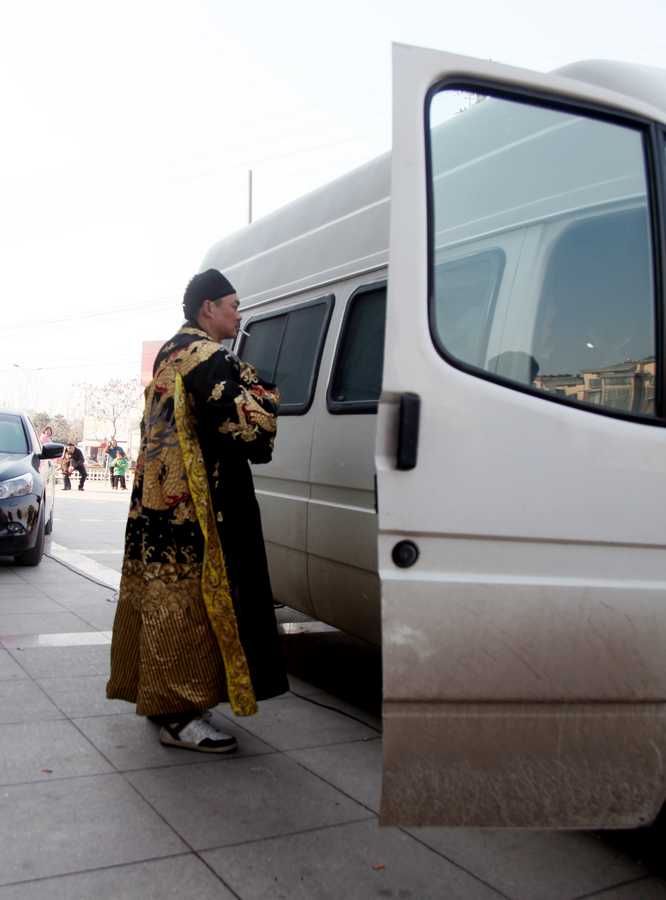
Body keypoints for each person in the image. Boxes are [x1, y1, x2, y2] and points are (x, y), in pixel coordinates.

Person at [106, 269, 288, 753]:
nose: (239, 314)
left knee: (164, 597)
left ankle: (164, 700)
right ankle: (180, 716)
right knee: (193, 602)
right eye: (233, 305)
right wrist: (265, 397)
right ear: (209, 308)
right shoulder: (208, 359)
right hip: (198, 508)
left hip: (157, 506)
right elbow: (251, 429)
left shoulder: (170, 352)